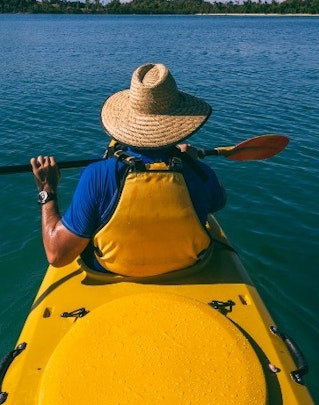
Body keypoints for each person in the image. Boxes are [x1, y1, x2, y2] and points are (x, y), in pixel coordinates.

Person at [30, 63, 226, 277]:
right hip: (188, 269)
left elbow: (57, 255)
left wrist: (47, 190)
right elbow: (218, 201)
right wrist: (190, 162)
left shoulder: (97, 175)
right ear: (178, 121)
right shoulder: (201, 174)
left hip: (110, 273)